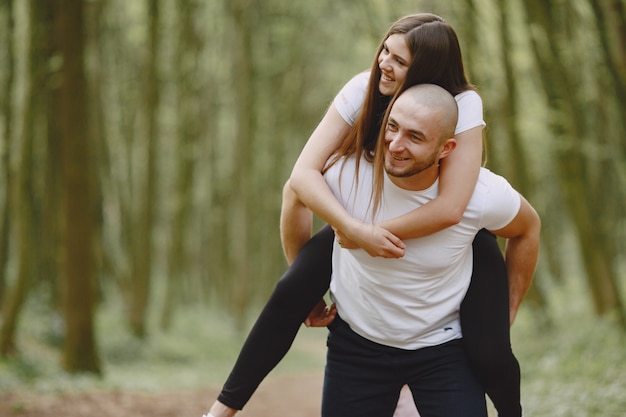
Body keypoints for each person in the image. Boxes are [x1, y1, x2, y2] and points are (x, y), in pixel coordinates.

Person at [206, 13, 522, 417]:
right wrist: (352, 229)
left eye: (399, 61)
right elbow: (301, 177)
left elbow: (450, 208)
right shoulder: (364, 88)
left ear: (425, 71)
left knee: (491, 351)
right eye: (384, 51)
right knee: (289, 293)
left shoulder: (461, 104)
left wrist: (371, 233)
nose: (383, 65)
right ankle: (220, 410)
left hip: (446, 226)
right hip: (363, 212)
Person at [320, 83, 540, 417]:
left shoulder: (481, 195)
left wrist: (506, 310)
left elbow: (528, 228)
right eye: (392, 127)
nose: (395, 144)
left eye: (415, 136)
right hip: (357, 346)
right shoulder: (348, 175)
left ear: (445, 148)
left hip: (444, 351)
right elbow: (295, 189)